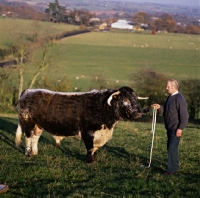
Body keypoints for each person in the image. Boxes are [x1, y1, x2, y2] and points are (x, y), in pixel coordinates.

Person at [152, 79, 189, 175]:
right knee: (171, 147)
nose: (166, 88)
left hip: (176, 128)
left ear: (174, 87)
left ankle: (170, 170)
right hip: (169, 127)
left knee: (172, 147)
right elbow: (166, 111)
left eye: (168, 86)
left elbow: (184, 116)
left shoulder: (179, 99)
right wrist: (159, 107)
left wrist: (180, 128)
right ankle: (175, 166)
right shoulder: (170, 97)